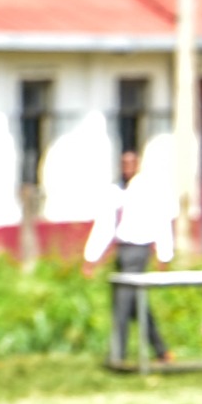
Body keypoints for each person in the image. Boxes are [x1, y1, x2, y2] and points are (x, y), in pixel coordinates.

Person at [83, 151, 174, 365]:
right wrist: (92, 257)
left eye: (131, 163)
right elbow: (105, 226)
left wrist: (164, 253)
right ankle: (162, 350)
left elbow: (161, 221)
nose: (127, 167)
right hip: (122, 250)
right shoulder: (116, 190)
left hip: (139, 249)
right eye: (124, 163)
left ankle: (118, 355)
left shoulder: (148, 190)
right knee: (136, 303)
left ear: (138, 164)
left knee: (122, 303)